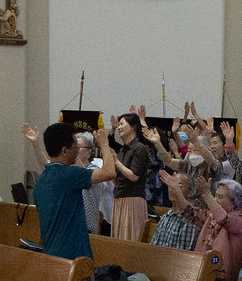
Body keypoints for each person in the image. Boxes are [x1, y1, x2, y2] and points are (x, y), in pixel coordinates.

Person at [23, 122, 118, 271]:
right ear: (65, 151)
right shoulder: (68, 174)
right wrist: (104, 145)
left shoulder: (42, 179)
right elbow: (110, 173)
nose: (77, 151)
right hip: (74, 257)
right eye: (75, 148)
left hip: (51, 253)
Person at [107, 111, 152, 240]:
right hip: (119, 198)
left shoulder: (140, 148)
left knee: (131, 239)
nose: (119, 128)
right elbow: (120, 176)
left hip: (133, 200)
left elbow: (134, 176)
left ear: (133, 127)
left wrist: (116, 161)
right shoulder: (123, 149)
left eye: (122, 124)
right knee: (119, 239)